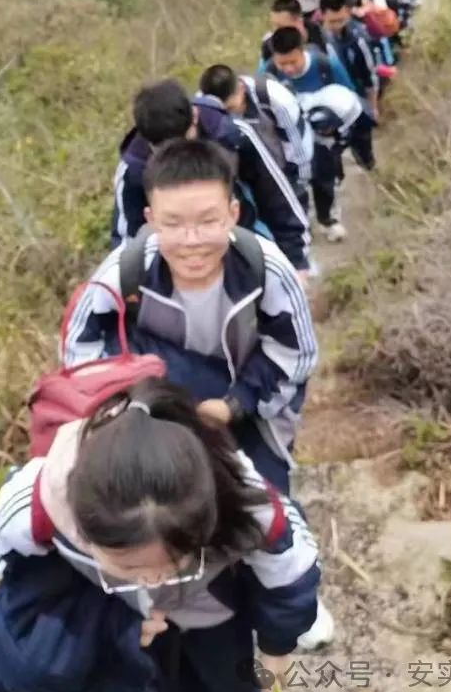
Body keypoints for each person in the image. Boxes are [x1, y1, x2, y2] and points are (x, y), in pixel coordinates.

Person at [0, 378, 323, 692]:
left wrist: (277, 643)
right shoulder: (35, 510)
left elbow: (292, 572)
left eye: (176, 561)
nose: (153, 580)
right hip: (125, 615)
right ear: (84, 532)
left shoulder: (243, 497)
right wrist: (106, 625)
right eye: (129, 567)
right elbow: (8, 585)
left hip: (212, 608)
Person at [73, 138, 317, 492]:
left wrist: (234, 405)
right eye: (173, 224)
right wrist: (130, 411)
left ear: (233, 214)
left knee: (265, 520)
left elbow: (296, 355)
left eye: (207, 221)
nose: (191, 240)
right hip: (151, 419)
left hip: (246, 414)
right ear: (151, 220)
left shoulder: (265, 269)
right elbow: (81, 357)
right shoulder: (121, 275)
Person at [111, 79, 311, 274]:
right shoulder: (133, 170)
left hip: (240, 239)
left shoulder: (231, 136)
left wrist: (296, 262)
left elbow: (275, 195)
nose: (176, 158)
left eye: (183, 144)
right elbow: (128, 242)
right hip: (176, 263)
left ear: (195, 117)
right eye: (163, 151)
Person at [197, 63, 313, 205]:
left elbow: (298, 146)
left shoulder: (277, 99)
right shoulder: (204, 109)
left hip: (283, 175)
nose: (230, 118)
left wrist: (299, 185)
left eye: (232, 108)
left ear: (241, 88)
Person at [299, 82, 376, 241]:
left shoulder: (347, 108)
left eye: (327, 130)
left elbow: (361, 128)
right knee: (324, 174)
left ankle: (368, 163)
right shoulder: (303, 116)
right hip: (316, 138)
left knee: (363, 143)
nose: (325, 133)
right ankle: (323, 219)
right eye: (323, 131)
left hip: (354, 111)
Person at [318, 0, 381, 122]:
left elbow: (369, 75)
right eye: (332, 21)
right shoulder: (315, 43)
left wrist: (373, 107)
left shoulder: (358, 38)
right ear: (322, 15)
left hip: (357, 103)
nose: (337, 26)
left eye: (341, 20)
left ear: (347, 12)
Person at [258, 0, 327, 65]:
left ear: (299, 21)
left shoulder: (319, 32)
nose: (276, 31)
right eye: (274, 25)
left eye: (280, 26)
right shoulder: (269, 46)